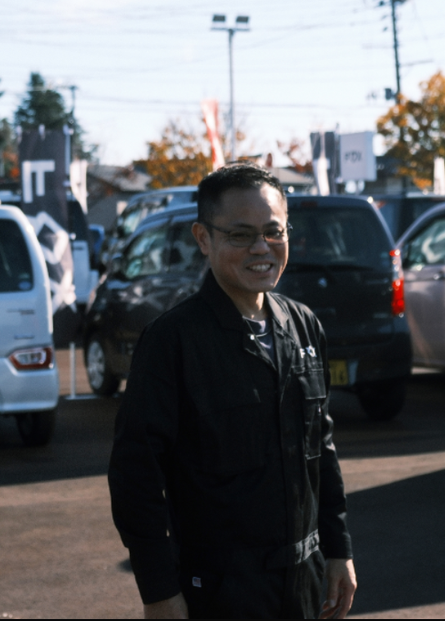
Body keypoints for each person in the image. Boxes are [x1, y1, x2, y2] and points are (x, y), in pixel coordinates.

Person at [108, 163, 357, 619]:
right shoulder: (173, 341)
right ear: (203, 238)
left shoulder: (303, 326)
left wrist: (338, 549)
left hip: (304, 583)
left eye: (274, 232)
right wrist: (158, 591)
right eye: (241, 235)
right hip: (218, 591)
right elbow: (134, 477)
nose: (261, 248)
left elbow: (321, 451)